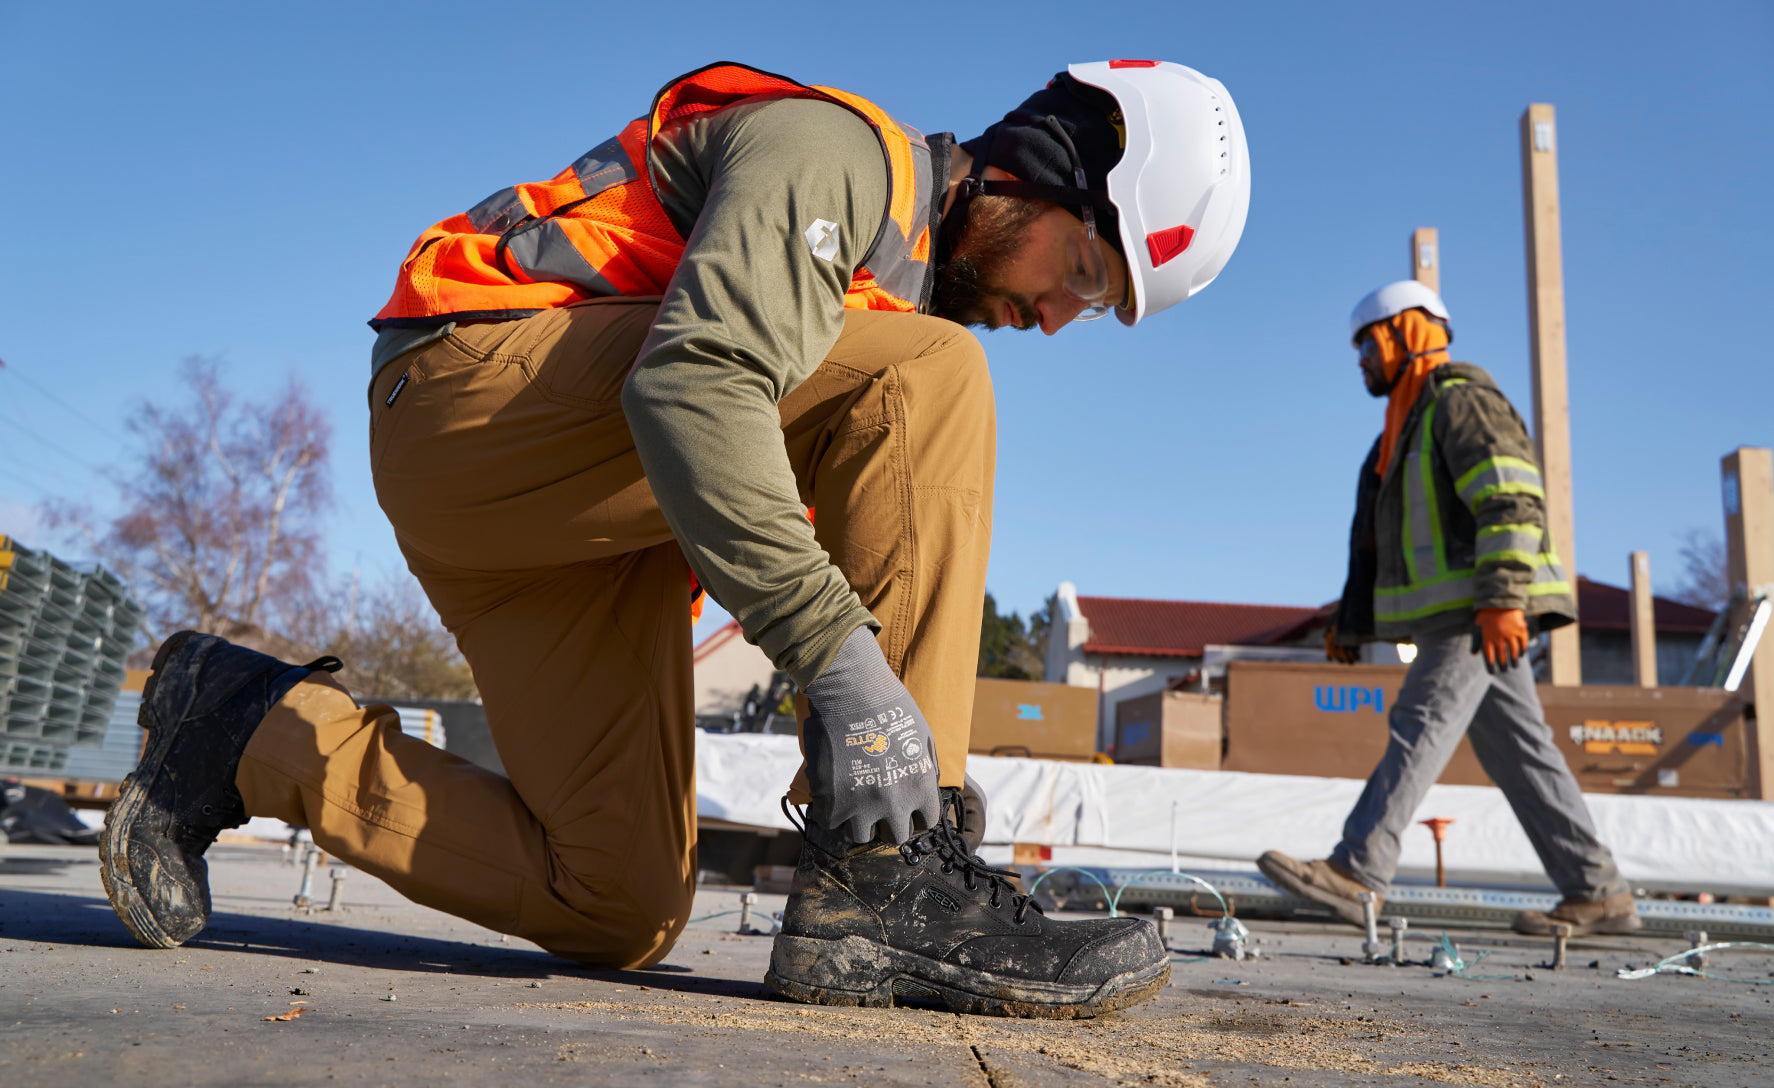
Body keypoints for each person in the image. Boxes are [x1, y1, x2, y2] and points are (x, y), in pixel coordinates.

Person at [100, 60, 1250, 1018]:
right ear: (1037, 171)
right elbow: (695, 388)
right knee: (939, 375)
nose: (1056, 316)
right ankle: (894, 874)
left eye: (1090, 308)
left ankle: (247, 726)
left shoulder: (877, 317)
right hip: (472, 398)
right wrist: (853, 679)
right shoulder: (841, 158)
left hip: (575, 531)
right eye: (1084, 271)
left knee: (617, 899)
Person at [1256, 281, 1641, 938]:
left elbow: (1512, 500)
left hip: (1480, 610)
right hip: (1470, 612)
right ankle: (1597, 889)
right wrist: (1351, 625)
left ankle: (1359, 869)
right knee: (1523, 754)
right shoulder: (1401, 432)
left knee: (1421, 721)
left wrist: (1500, 601)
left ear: (1407, 331)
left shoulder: (1460, 402)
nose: (1360, 361)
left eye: (1367, 343)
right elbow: (1378, 543)